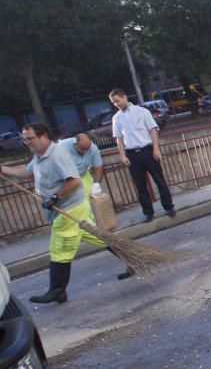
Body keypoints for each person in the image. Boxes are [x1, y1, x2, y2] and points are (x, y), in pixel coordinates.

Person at [0, 124, 131, 304]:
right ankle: (135, 259)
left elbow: (75, 181)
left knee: (60, 248)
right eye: (24, 139)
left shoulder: (58, 155)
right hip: (70, 208)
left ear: (44, 136)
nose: (26, 142)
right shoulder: (40, 156)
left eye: (30, 138)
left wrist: (55, 197)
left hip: (69, 208)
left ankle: (57, 290)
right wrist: (2, 169)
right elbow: (26, 172)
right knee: (99, 237)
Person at [110, 88, 176, 223]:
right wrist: (123, 155)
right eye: (113, 102)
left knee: (159, 181)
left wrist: (156, 149)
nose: (116, 104)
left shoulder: (142, 112)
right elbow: (119, 138)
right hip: (132, 154)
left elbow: (153, 131)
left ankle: (169, 207)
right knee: (140, 186)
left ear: (124, 97)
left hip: (147, 150)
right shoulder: (117, 118)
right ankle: (148, 212)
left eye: (117, 100)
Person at [57, 132, 104, 197]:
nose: (85, 152)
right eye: (82, 149)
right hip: (65, 180)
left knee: (93, 195)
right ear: (75, 143)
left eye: (87, 149)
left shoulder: (93, 148)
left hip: (83, 174)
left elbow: (98, 167)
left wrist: (96, 185)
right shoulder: (61, 148)